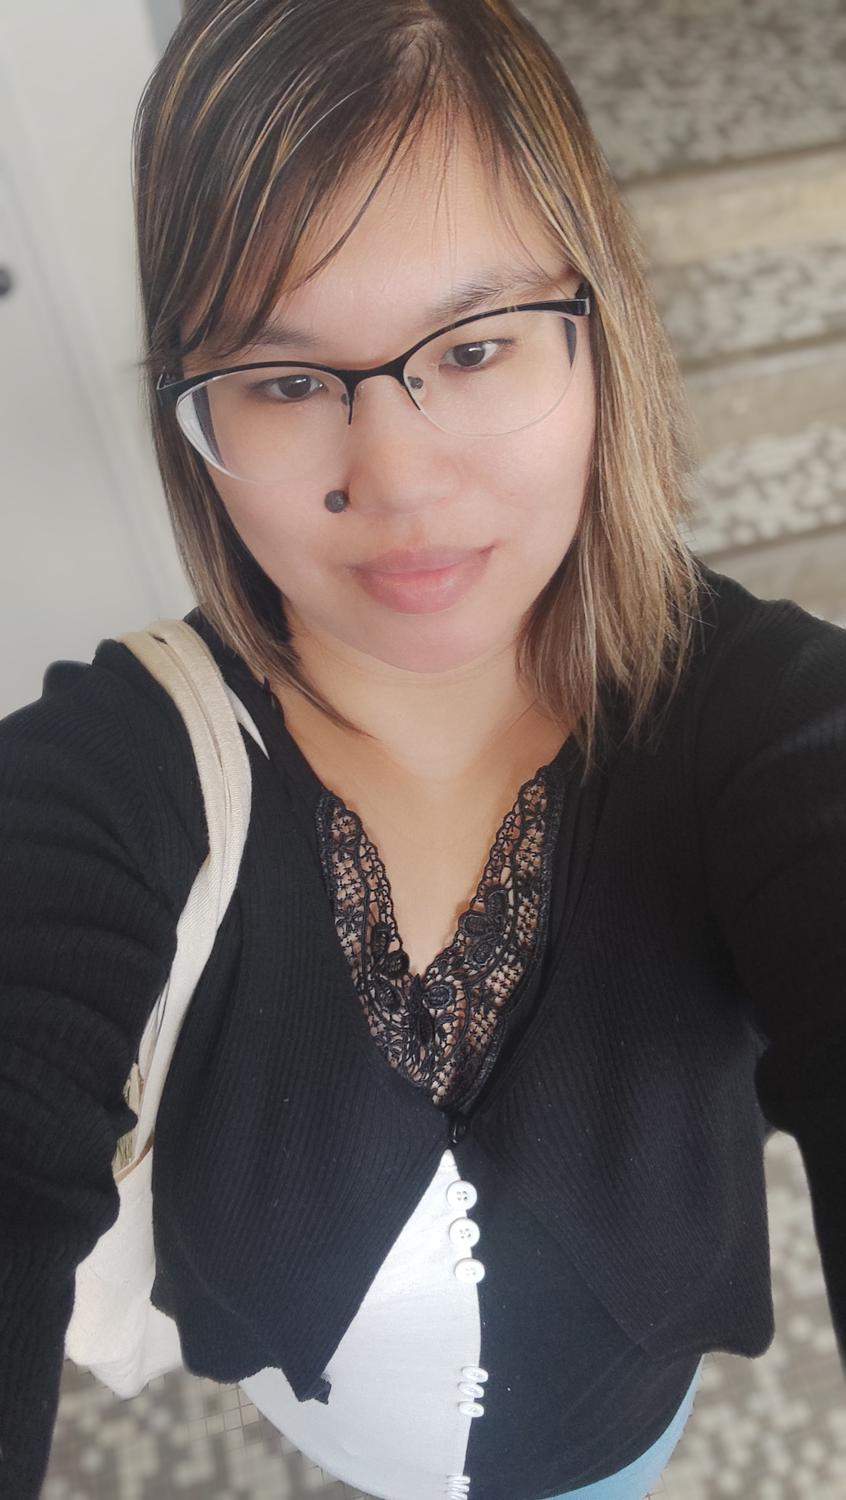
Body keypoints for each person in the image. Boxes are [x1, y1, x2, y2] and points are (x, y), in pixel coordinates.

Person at [1, 1, 844, 1497]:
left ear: (599, 330)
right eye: (282, 380)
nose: (394, 478)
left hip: (616, 1448)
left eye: (475, 346)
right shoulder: (112, 782)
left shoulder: (765, 725)